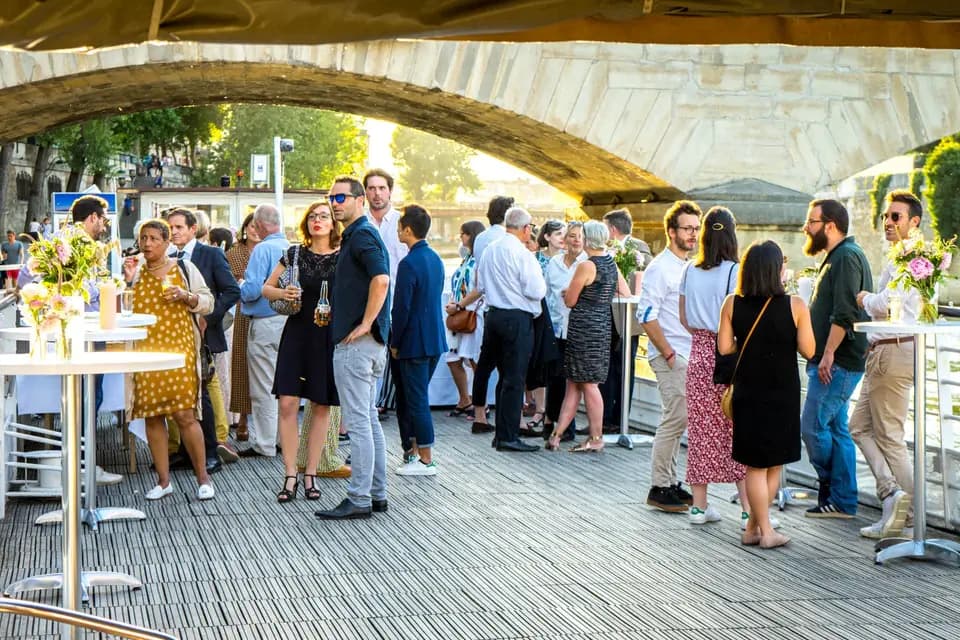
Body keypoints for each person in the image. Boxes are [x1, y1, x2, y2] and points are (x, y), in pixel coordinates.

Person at [718, 240, 815, 548]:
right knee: (774, 463)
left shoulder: (732, 303)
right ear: (777, 270)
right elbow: (809, 350)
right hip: (782, 393)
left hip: (748, 390)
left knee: (755, 465)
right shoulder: (795, 304)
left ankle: (752, 529)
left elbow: (724, 348)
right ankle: (767, 533)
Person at [122, 219, 216, 501]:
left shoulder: (183, 269)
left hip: (178, 350)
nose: (147, 244)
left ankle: (203, 477)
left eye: (153, 238)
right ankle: (163, 481)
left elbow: (207, 301)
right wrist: (127, 282)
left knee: (185, 414)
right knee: (153, 415)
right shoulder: (135, 271)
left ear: (166, 243)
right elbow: (122, 307)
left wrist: (186, 296)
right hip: (145, 350)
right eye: (143, 238)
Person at [315, 176, 390, 520]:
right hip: (367, 345)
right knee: (369, 420)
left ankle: (360, 497)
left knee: (359, 422)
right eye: (332, 197)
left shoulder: (360, 234)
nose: (335, 203)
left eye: (342, 197)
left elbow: (382, 279)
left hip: (357, 346)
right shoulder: (359, 235)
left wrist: (364, 323)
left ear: (359, 199)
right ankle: (376, 494)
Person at [851, 190, 920, 538]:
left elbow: (890, 303)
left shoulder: (914, 258)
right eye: (886, 217)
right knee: (859, 427)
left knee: (891, 437)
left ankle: (910, 521)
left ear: (914, 222)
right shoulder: (904, 257)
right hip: (883, 350)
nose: (889, 223)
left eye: (896, 217)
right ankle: (893, 497)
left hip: (894, 350)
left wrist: (864, 298)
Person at [262, 200, 341, 502]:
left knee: (321, 404)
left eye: (324, 217)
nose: (317, 221)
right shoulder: (294, 254)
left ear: (333, 223)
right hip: (296, 332)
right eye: (312, 217)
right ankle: (290, 474)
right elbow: (265, 288)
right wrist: (284, 292)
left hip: (326, 335)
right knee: (287, 403)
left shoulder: (344, 255)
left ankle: (311, 474)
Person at [677, 206, 750, 526]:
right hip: (728, 356)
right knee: (737, 432)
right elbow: (739, 320)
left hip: (698, 354)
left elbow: (683, 318)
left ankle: (698, 506)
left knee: (701, 431)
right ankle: (750, 509)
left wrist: (703, 335)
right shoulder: (736, 272)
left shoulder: (689, 270)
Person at [801, 198, 872, 518]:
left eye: (811, 222)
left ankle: (831, 487)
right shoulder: (837, 256)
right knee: (838, 429)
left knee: (813, 427)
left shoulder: (845, 258)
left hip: (838, 360)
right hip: (833, 358)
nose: (806, 228)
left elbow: (844, 312)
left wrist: (828, 353)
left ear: (829, 225)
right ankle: (843, 500)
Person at [166, 208, 240, 473]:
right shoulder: (167, 257)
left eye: (178, 227)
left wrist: (210, 315)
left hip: (203, 334)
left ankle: (210, 451)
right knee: (182, 393)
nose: (173, 232)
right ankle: (187, 452)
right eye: (170, 228)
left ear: (192, 227)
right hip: (174, 336)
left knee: (204, 393)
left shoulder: (211, 254)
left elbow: (232, 291)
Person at [638, 200, 699, 512]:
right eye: (687, 228)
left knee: (679, 419)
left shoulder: (687, 266)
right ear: (672, 231)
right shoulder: (660, 268)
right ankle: (659, 485)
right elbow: (646, 315)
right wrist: (669, 353)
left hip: (686, 353)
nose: (693, 234)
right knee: (675, 418)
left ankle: (671, 481)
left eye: (696, 229)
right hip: (671, 355)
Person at [547, 221, 629, 451]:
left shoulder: (587, 265)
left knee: (587, 384)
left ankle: (595, 438)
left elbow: (570, 300)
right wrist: (601, 295)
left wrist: (575, 291)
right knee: (574, 382)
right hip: (601, 327)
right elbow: (625, 292)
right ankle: (556, 435)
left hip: (583, 328)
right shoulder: (612, 263)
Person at [474, 206, 546, 453]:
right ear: (526, 229)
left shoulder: (490, 250)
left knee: (503, 376)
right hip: (516, 318)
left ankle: (502, 432)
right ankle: (508, 435)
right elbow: (536, 290)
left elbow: (480, 284)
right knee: (514, 378)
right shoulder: (523, 254)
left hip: (493, 316)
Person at [391, 204, 447, 476]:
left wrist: (395, 342)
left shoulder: (408, 263)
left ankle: (425, 458)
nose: (398, 231)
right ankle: (414, 451)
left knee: (416, 400)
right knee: (418, 397)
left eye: (400, 227)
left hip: (413, 342)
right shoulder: (435, 258)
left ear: (408, 230)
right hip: (435, 339)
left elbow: (401, 308)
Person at [458, 195, 516, 433]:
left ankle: (480, 413)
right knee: (510, 367)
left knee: (483, 365)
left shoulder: (481, 238)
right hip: (508, 308)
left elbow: (479, 279)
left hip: (486, 307)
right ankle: (510, 417)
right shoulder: (508, 239)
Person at [238, 204, 289, 458]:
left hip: (265, 322)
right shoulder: (293, 248)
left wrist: (240, 285)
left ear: (258, 225)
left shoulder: (262, 250)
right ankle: (283, 439)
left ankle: (265, 443)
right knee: (285, 385)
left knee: (263, 386)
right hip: (289, 322)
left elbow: (252, 290)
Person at [601, 208, 653, 433]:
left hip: (627, 320)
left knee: (624, 368)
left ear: (612, 229)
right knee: (607, 368)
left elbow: (645, 278)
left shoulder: (639, 248)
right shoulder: (605, 249)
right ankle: (604, 419)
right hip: (607, 317)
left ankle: (620, 419)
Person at [363, 169, 408, 417]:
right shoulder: (360, 222)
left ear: (390, 191)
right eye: (371, 188)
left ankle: (386, 403)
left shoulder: (404, 223)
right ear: (365, 192)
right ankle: (369, 403)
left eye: (381, 188)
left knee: (395, 356)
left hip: (397, 301)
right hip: (368, 302)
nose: (377, 193)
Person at [543, 221, 586, 439]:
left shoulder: (587, 263)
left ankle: (567, 425)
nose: (576, 239)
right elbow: (547, 293)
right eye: (572, 236)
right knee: (556, 377)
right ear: (565, 240)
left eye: (580, 236)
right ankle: (551, 418)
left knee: (575, 378)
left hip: (579, 329)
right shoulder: (554, 263)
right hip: (557, 327)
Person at [444, 220, 486, 419]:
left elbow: (479, 289)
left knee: (474, 359)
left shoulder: (480, 260)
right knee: (452, 358)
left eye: (464, 233)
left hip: (472, 313)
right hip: (458, 311)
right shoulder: (466, 259)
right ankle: (464, 398)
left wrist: (460, 305)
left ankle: (480, 402)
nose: (461, 237)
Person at [226, 214, 259, 442]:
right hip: (242, 311)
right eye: (251, 225)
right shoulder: (235, 253)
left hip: (269, 309)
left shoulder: (272, 250)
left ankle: (269, 425)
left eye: (259, 225)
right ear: (245, 228)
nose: (255, 229)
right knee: (241, 367)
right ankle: (243, 419)